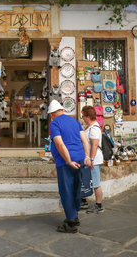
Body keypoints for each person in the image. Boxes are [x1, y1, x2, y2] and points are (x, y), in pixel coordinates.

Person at [48, 100, 91, 233]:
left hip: (66, 162)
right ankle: (75, 215)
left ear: (51, 114)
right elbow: (84, 140)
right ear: (62, 110)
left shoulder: (54, 123)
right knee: (76, 188)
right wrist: (87, 157)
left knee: (66, 190)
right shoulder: (74, 121)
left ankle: (71, 222)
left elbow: (60, 144)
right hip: (81, 157)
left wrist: (68, 161)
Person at [81, 106, 104, 213]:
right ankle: (83, 201)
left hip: (94, 159)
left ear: (88, 116)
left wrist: (91, 159)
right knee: (86, 180)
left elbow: (94, 145)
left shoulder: (94, 128)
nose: (82, 118)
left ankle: (99, 205)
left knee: (95, 183)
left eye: (83, 116)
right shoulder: (89, 127)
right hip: (90, 158)